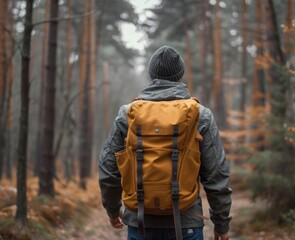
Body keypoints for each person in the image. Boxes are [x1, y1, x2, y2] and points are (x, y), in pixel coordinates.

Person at [99, 45, 232, 240]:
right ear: (180, 75)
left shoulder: (128, 114)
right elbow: (216, 174)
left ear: (152, 75)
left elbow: (108, 169)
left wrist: (113, 210)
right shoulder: (200, 115)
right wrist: (221, 223)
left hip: (140, 223)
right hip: (187, 222)